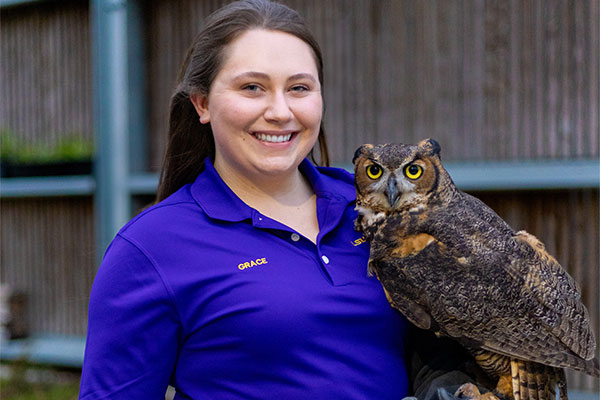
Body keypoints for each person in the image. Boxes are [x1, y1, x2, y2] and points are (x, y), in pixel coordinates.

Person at [79, 1, 489, 399]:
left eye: (299, 88)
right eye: (252, 87)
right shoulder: (151, 246)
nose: (280, 111)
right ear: (202, 103)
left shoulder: (381, 211)